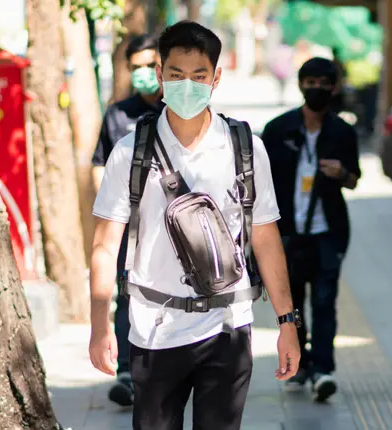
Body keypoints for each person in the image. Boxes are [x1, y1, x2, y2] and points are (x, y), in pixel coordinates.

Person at [89, 21, 301, 429]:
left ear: (216, 78)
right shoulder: (130, 152)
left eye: (199, 76)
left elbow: (266, 239)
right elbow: (104, 244)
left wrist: (286, 322)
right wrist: (100, 325)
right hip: (154, 328)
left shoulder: (245, 149)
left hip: (228, 327)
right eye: (176, 74)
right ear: (160, 75)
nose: (187, 85)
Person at [261, 57, 361, 402]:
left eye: (324, 83)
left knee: (325, 300)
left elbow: (354, 179)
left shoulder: (342, 131)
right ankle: (300, 365)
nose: (316, 89)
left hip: (328, 232)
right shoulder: (278, 130)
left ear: (334, 88)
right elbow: (259, 183)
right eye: (310, 82)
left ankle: (323, 369)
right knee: (292, 305)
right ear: (300, 85)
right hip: (288, 234)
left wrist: (341, 174)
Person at [91, 33, 164, 407]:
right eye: (136, 67)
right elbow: (99, 165)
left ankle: (165, 370)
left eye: (150, 65)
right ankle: (127, 373)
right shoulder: (118, 114)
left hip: (171, 227)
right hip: (128, 226)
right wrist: (107, 216)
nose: (144, 73)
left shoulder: (179, 111)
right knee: (126, 294)